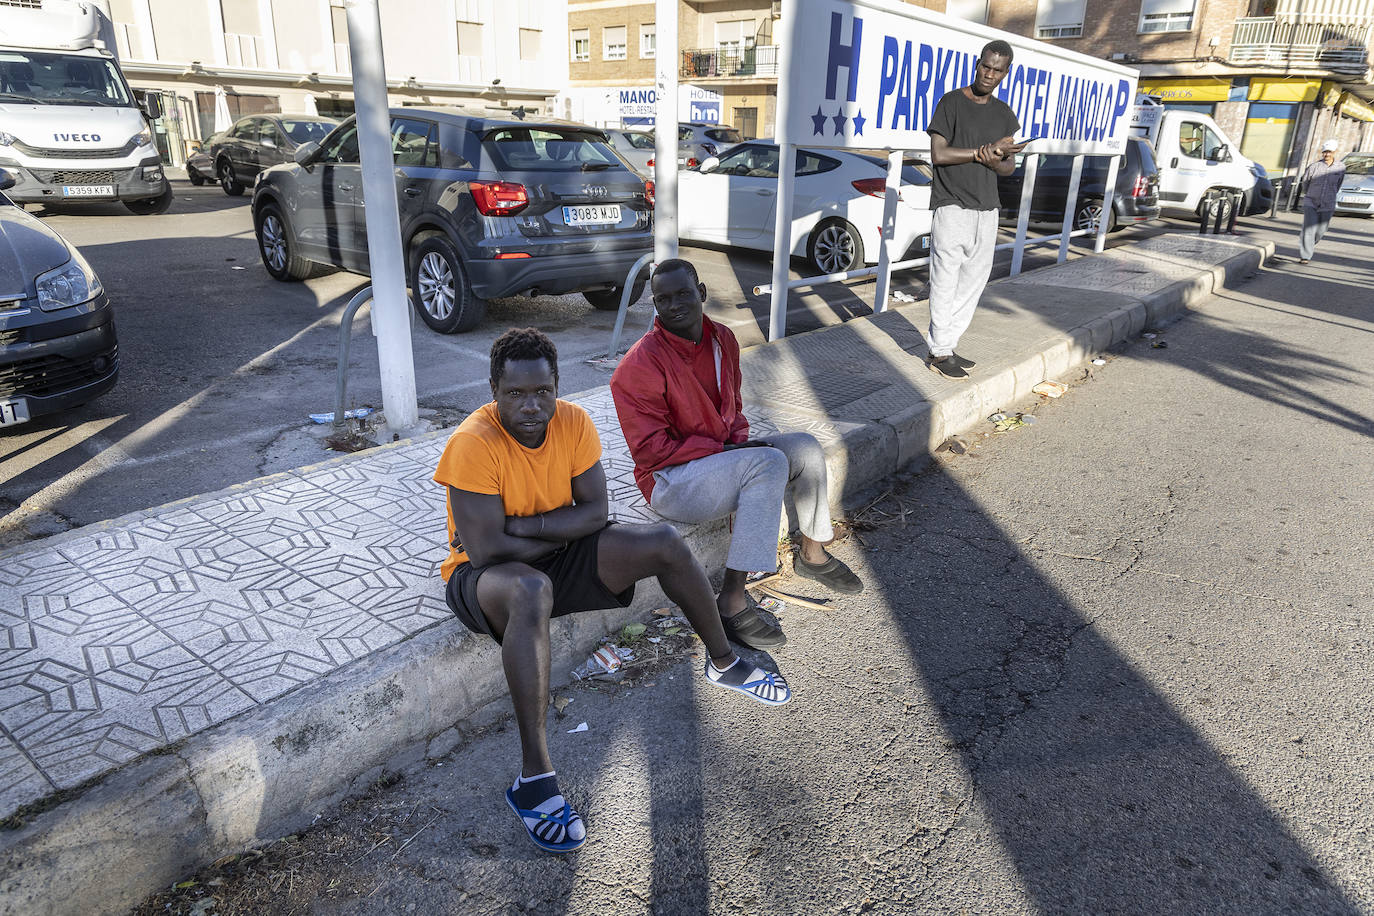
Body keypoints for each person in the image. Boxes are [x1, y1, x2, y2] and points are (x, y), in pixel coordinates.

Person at [435, 328, 791, 854]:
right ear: (493, 390)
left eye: (542, 391)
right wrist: (563, 527)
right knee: (531, 588)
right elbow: (487, 552)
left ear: (557, 385)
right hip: (485, 579)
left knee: (664, 542)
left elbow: (596, 514)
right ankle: (534, 780)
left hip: (544, 551)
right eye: (515, 394)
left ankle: (723, 661)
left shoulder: (574, 423)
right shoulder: (472, 443)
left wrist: (527, 527)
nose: (531, 406)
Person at [610, 259, 863, 653]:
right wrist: (729, 456)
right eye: (663, 300)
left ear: (702, 293)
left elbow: (733, 412)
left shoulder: (722, 340)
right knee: (769, 462)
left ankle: (812, 553)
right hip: (670, 482)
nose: (674, 305)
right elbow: (651, 452)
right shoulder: (639, 365)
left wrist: (734, 457)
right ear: (655, 306)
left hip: (716, 462)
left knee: (805, 447)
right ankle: (731, 600)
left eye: (683, 294)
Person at [924, 39, 1024, 381]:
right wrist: (982, 151)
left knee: (973, 283)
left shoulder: (1004, 114)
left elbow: (1008, 168)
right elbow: (939, 154)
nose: (989, 74)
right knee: (945, 279)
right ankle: (938, 350)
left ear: (1006, 73)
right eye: (986, 66)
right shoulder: (951, 102)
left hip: (987, 208)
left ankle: (947, 344)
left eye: (997, 70)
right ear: (977, 63)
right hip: (951, 204)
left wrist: (999, 156)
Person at [1297, 139, 1345, 264]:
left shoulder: (1340, 168)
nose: (1327, 154)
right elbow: (1305, 183)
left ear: (1335, 152)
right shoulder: (1314, 167)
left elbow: (1338, 184)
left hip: (1328, 203)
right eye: (1325, 152)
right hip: (1311, 202)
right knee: (1309, 229)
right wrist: (1310, 195)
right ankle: (1305, 256)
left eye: (1329, 152)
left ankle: (1309, 245)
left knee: (1321, 231)